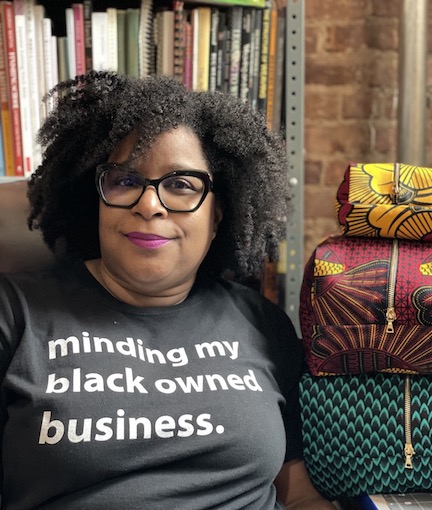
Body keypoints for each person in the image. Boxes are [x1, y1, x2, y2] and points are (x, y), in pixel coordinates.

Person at [0, 71, 334, 509]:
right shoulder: (15, 313)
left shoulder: (262, 322)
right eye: (125, 180)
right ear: (94, 198)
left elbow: (299, 492)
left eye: (180, 185)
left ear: (217, 216)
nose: (149, 204)